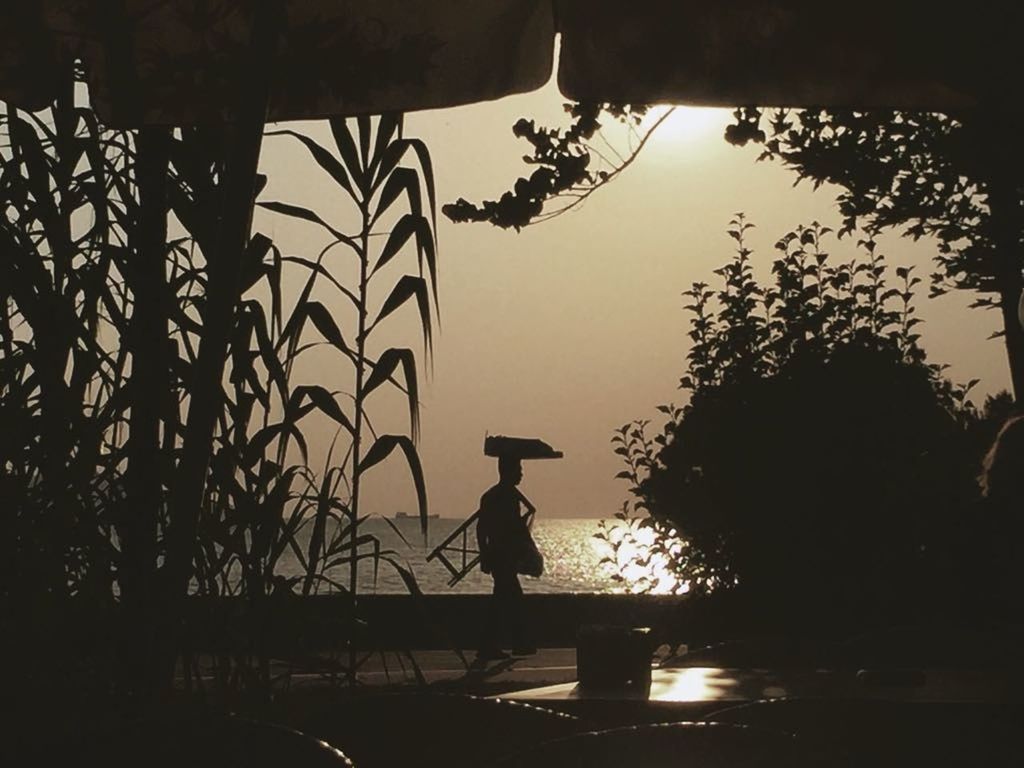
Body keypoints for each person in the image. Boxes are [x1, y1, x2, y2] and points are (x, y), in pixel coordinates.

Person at [476, 455, 537, 661]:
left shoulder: (491, 495)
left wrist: (484, 552)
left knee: (505, 598)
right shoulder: (508, 497)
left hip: (497, 554)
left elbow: (481, 528)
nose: (521, 473)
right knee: (507, 599)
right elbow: (509, 528)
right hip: (503, 556)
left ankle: (513, 643)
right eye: (518, 468)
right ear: (507, 471)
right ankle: (501, 644)